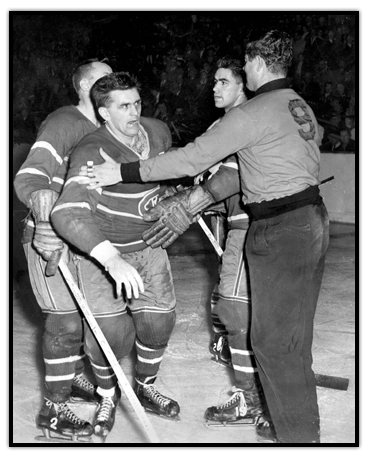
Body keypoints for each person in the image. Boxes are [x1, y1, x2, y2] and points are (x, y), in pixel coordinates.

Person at [81, 30, 330, 444]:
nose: (238, 74)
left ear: (258, 64)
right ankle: (304, 432)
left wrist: (122, 172)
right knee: (292, 339)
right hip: (312, 218)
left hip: (280, 227)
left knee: (270, 341)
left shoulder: (251, 113)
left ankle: (298, 441)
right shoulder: (297, 104)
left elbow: (192, 156)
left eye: (242, 66)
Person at [51, 72, 180, 438]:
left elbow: (166, 173)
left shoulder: (157, 131)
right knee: (110, 335)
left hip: (149, 246)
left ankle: (145, 383)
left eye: (137, 102)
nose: (135, 112)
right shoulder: (92, 150)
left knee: (159, 322)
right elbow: (67, 212)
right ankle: (108, 395)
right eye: (124, 106)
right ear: (104, 114)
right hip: (103, 255)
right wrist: (110, 259)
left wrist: (178, 195)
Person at [13, 59, 117, 442]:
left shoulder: (104, 130)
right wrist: (43, 223)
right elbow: (32, 176)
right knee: (65, 321)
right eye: (104, 78)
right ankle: (54, 410)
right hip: (50, 239)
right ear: (86, 87)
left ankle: (70, 379)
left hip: (83, 238)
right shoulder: (64, 123)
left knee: (90, 319)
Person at [190, 57, 266, 425]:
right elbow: (197, 164)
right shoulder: (221, 125)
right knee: (234, 302)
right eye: (214, 82)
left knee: (236, 307)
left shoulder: (246, 120)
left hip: (249, 224)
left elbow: (228, 178)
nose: (215, 88)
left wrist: (195, 196)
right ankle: (256, 378)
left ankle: (251, 397)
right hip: (231, 221)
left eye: (224, 81)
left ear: (243, 86)